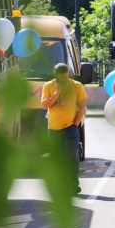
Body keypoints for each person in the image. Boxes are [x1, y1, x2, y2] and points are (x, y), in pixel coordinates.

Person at [41, 63, 87, 194]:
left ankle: (73, 185)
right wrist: (56, 93)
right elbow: (44, 105)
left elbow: (82, 106)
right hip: (53, 128)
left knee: (71, 156)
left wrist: (75, 123)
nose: (65, 79)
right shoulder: (48, 86)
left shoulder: (76, 86)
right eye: (62, 77)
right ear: (56, 76)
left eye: (66, 76)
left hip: (70, 128)